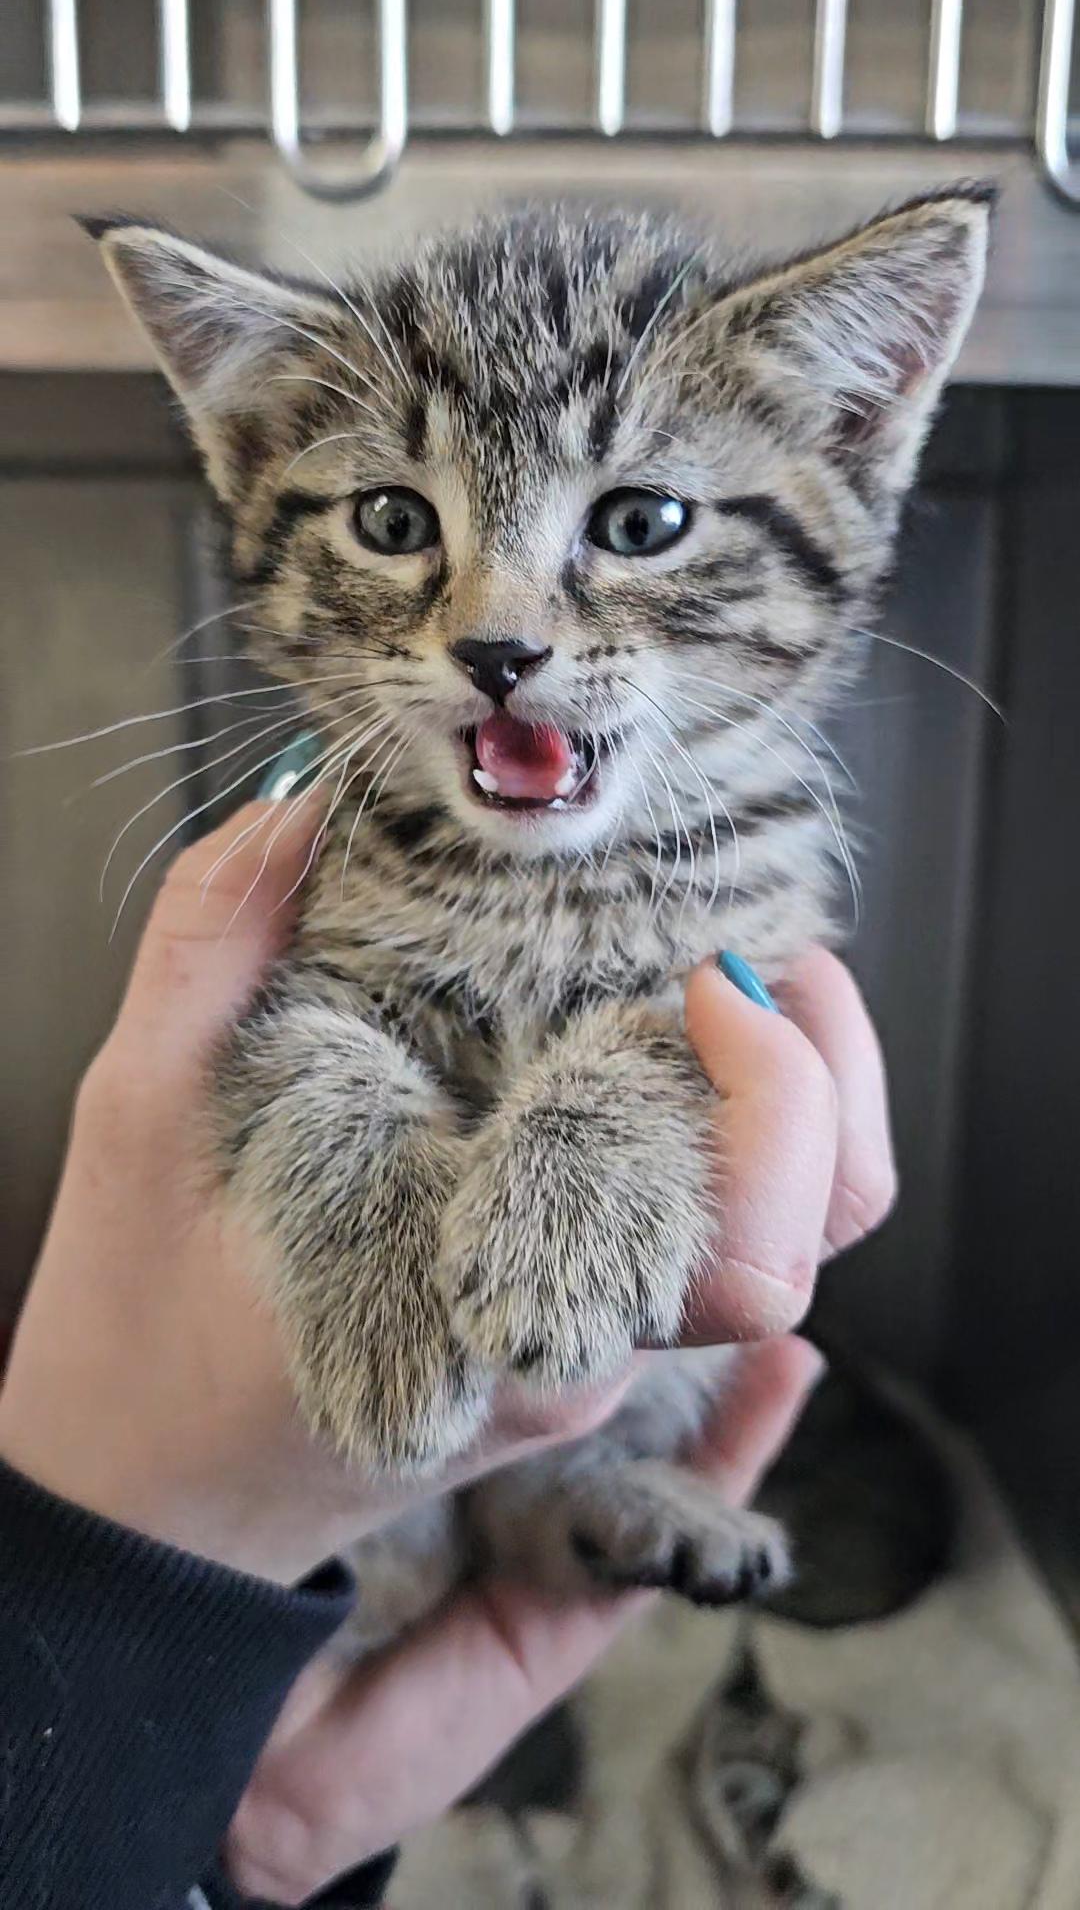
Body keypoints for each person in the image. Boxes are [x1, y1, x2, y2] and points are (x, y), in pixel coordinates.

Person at [0, 797, 895, 1910]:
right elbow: (301, 1025)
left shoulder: (753, 836)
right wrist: (117, 1555)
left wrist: (258, 1857)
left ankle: (568, 1504)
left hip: (227, 1738)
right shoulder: (366, 818)